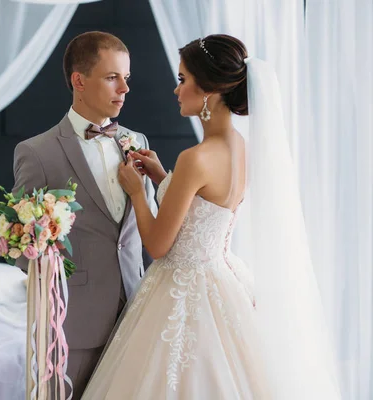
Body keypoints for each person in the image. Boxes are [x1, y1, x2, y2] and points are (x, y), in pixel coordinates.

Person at [81, 34, 342, 399]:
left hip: (182, 289)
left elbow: (158, 245)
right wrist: (162, 178)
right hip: (223, 278)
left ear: (209, 91)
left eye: (183, 80)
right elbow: (207, 203)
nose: (176, 91)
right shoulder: (241, 147)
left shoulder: (196, 158)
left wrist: (138, 193)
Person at [12, 31, 158, 399]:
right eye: (112, 77)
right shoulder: (38, 152)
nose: (124, 88)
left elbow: (150, 222)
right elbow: (19, 244)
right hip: (73, 322)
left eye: (127, 77)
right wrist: (56, 287)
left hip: (138, 309)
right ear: (79, 80)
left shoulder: (136, 142)